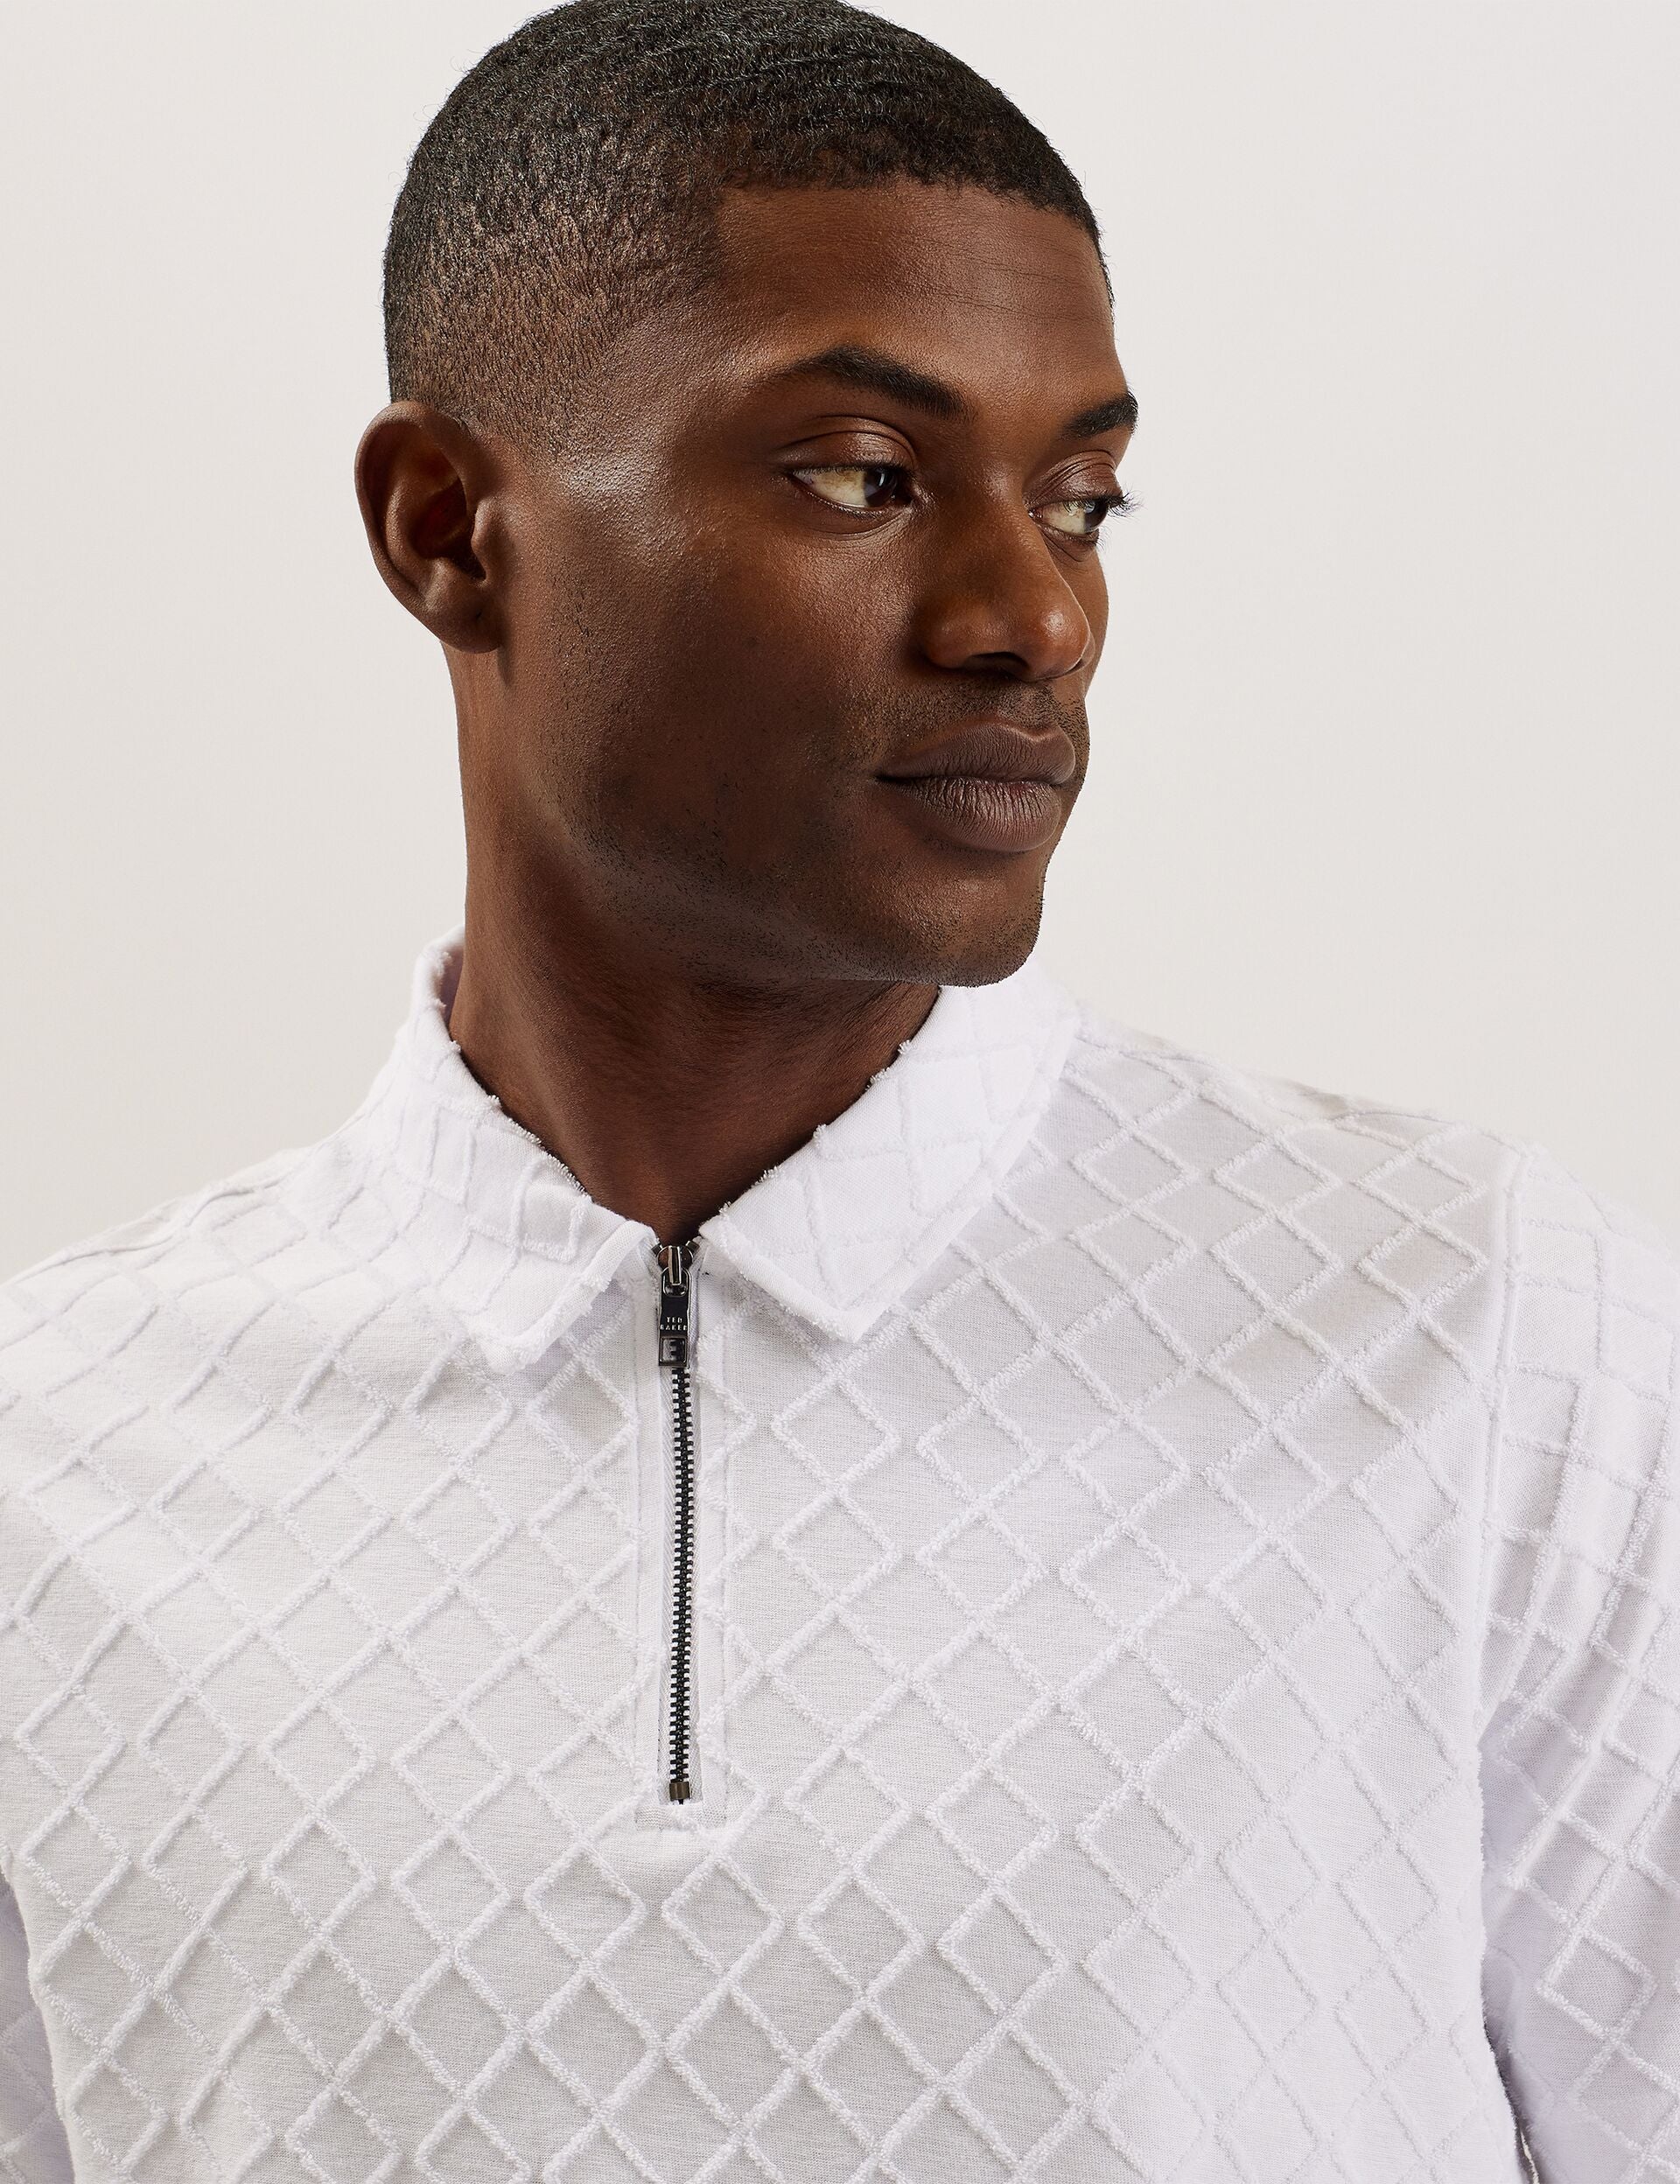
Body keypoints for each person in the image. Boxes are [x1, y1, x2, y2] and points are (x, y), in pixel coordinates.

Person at [0, 0, 1672, 2175]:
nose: (1034, 617)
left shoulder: (1473, 1333)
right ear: (447, 527)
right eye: (866, 478)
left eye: (1082, 499)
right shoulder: (53, 1462)